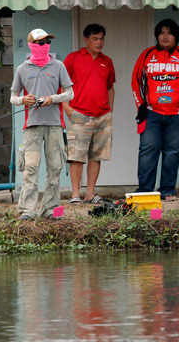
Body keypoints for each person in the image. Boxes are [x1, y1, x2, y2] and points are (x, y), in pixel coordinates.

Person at [131, 19, 179, 200]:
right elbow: (136, 81)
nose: (165, 36)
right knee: (148, 150)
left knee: (172, 152)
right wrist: (140, 104)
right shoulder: (147, 55)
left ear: (176, 37)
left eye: (169, 33)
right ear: (157, 35)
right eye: (162, 32)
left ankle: (167, 190)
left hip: (178, 114)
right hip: (151, 112)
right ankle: (145, 190)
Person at [11, 28, 73, 220]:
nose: (45, 46)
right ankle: (27, 211)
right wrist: (23, 100)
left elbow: (70, 93)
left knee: (55, 168)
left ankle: (51, 210)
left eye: (47, 42)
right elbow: (12, 97)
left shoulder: (59, 66)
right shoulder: (22, 69)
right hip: (32, 127)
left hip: (55, 125)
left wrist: (52, 99)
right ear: (32, 45)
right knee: (30, 168)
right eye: (40, 43)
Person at [63, 23, 116, 205]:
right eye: (95, 38)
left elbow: (110, 87)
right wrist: (66, 107)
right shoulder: (73, 59)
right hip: (79, 113)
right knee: (76, 155)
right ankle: (75, 194)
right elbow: (63, 85)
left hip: (102, 115)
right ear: (86, 39)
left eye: (101, 38)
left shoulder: (107, 61)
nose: (99, 42)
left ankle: (90, 194)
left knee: (97, 155)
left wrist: (110, 109)